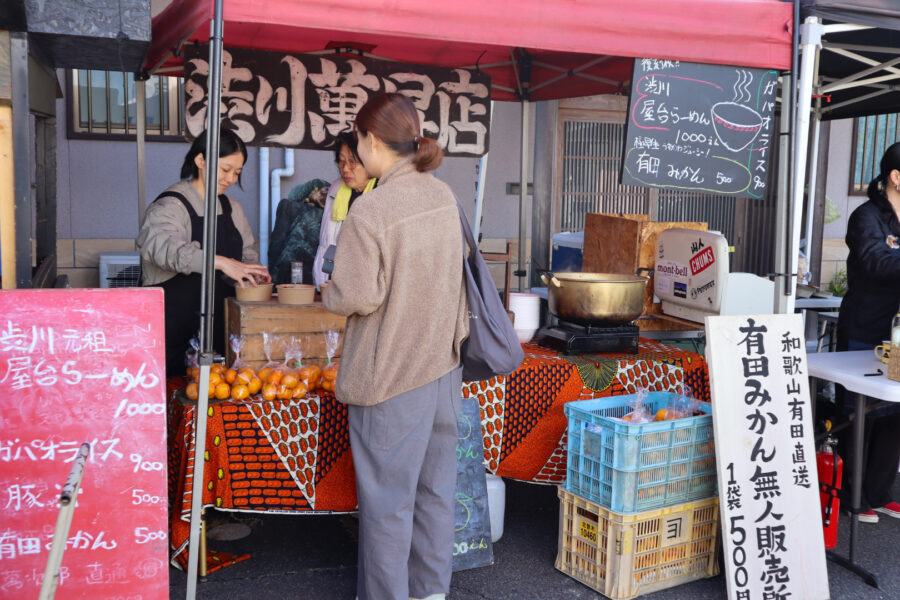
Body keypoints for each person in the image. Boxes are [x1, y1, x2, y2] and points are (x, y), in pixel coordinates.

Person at [322, 93, 468, 600]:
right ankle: (431, 593)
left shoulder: (373, 209)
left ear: (369, 140)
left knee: (388, 506)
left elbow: (354, 295)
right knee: (435, 496)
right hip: (445, 370)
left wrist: (329, 286)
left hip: (391, 377)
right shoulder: (442, 195)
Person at [137, 128, 270, 376]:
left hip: (221, 328)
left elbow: (248, 252)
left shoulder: (233, 209)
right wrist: (219, 262)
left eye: (237, 172)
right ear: (200, 160)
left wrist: (250, 273)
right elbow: (161, 249)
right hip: (172, 331)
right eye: (225, 169)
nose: (231, 178)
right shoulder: (171, 205)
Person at [835, 140, 900, 524]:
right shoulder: (866, 217)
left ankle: (879, 492)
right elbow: (875, 261)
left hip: (896, 334)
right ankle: (854, 497)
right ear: (895, 177)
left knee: (894, 411)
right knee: (860, 412)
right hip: (864, 327)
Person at [312, 131, 376, 289]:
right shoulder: (336, 188)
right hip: (330, 280)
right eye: (341, 161)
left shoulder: (381, 192)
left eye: (353, 162)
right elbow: (327, 242)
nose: (345, 169)